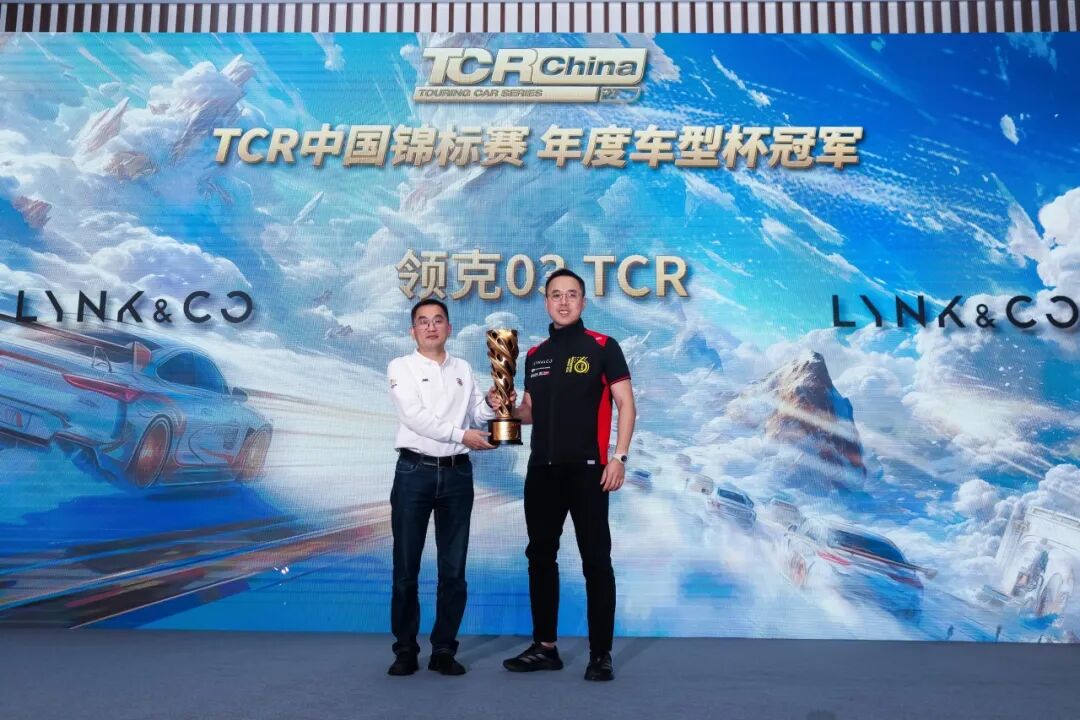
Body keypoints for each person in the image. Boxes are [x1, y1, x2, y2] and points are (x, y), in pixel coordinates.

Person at [503, 268, 636, 682]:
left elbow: (626, 404)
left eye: (571, 294)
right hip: (542, 471)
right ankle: (545, 648)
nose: (563, 302)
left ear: (583, 301)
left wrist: (619, 457)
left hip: (589, 472)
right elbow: (529, 413)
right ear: (546, 302)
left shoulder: (603, 346)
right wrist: (507, 406)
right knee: (540, 557)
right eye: (556, 295)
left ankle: (601, 654)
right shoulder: (534, 354)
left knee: (595, 560)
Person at [386, 298, 503, 677]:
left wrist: (492, 402)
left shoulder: (462, 368)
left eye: (438, 320)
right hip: (414, 472)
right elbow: (414, 417)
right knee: (406, 568)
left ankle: (443, 649)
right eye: (423, 321)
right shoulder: (400, 367)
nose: (431, 327)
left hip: (457, 476)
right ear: (413, 331)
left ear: (449, 328)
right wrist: (462, 435)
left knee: (453, 570)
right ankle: (405, 649)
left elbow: (477, 414)